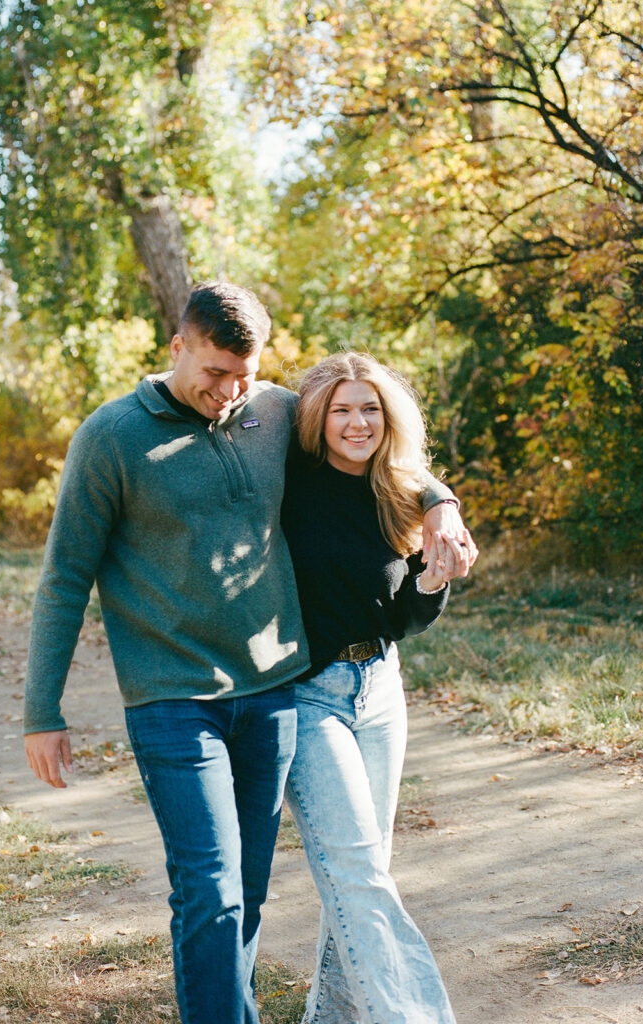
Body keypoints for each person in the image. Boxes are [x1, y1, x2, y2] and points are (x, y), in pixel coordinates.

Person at [23, 282, 475, 1024]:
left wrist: (439, 499)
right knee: (211, 887)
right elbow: (65, 577)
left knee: (256, 889)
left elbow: (363, 429)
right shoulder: (111, 438)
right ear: (178, 347)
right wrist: (44, 709)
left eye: (244, 373)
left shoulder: (269, 411)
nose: (228, 392)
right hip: (173, 699)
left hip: (273, 692)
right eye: (214, 374)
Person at [281, 352, 469, 1024]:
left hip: (380, 692)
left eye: (370, 408)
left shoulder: (397, 491)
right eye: (341, 409)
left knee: (359, 878)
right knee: (357, 876)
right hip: (309, 697)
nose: (357, 422)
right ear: (318, 416)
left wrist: (434, 569)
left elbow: (399, 620)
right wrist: (441, 498)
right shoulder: (291, 480)